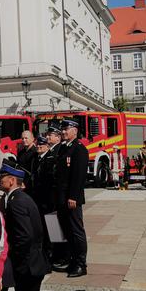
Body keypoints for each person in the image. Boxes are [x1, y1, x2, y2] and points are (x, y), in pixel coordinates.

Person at [0, 162, 49, 291]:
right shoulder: (18, 198)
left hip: (28, 265)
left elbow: (24, 236)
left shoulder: (17, 202)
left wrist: (18, 261)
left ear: (12, 181)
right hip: (31, 261)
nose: (0, 179)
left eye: (3, 177)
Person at [53, 119, 89, 277]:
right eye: (63, 129)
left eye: (66, 129)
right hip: (62, 197)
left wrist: (73, 196)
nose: (63, 132)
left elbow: (78, 176)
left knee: (76, 231)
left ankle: (81, 264)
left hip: (72, 198)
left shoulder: (79, 149)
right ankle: (73, 260)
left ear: (75, 130)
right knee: (67, 231)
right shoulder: (64, 148)